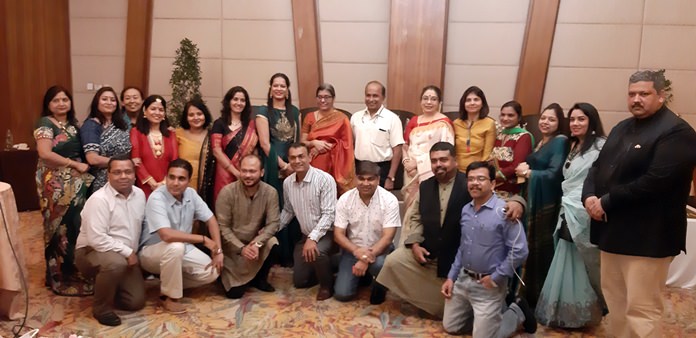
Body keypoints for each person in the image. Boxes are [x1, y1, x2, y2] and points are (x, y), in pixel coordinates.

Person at [582, 70, 696, 338]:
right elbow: (597, 167)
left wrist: (606, 202)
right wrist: (588, 196)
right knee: (616, 304)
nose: (636, 99)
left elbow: (656, 181)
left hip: (648, 237)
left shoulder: (677, 132)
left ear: (661, 96)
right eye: (632, 94)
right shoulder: (622, 127)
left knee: (642, 311)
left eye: (644, 94)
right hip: (613, 234)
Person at [377, 142, 525, 318]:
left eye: (443, 160)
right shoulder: (425, 186)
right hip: (429, 251)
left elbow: (495, 197)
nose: (438, 164)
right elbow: (416, 217)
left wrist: (518, 202)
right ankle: (430, 300)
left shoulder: (469, 183)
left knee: (448, 314)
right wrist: (415, 243)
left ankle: (502, 308)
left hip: (456, 257)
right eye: (434, 161)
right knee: (394, 261)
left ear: (455, 161)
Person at [441, 161, 535, 337]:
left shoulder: (504, 212)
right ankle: (484, 320)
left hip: (489, 284)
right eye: (470, 179)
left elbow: (520, 250)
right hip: (463, 279)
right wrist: (451, 277)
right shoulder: (466, 210)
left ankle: (516, 312)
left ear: (492, 184)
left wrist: (496, 277)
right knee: (451, 327)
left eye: (481, 179)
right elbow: (463, 247)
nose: (474, 183)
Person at [536, 102, 607, 328]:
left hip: (585, 209)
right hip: (567, 206)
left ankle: (583, 312)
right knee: (564, 254)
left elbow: (602, 179)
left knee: (583, 259)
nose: (575, 124)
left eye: (581, 119)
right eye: (573, 119)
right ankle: (562, 310)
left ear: (592, 121)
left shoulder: (601, 147)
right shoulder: (572, 145)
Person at [139, 159, 223, 313]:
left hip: (181, 249)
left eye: (181, 179)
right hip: (150, 252)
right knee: (175, 246)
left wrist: (218, 252)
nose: (175, 183)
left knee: (212, 272)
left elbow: (211, 219)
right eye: (171, 177)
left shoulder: (191, 193)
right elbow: (166, 235)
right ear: (166, 177)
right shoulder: (156, 197)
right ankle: (169, 297)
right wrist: (203, 239)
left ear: (188, 181)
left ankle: (168, 281)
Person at [34, 85, 94, 296]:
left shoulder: (73, 125)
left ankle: (73, 269)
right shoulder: (45, 123)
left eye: (64, 100)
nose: (61, 104)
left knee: (75, 225)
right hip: (55, 183)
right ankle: (57, 275)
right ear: (48, 104)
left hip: (76, 184)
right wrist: (74, 164)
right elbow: (44, 153)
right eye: (56, 100)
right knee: (57, 228)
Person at [74, 155, 145, 326]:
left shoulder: (140, 195)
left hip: (123, 254)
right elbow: (97, 239)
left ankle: (108, 285)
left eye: (128, 172)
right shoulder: (99, 200)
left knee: (135, 302)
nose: (123, 176)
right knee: (115, 264)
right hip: (91, 251)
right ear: (108, 175)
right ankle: (101, 308)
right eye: (117, 172)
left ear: (135, 174)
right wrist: (128, 253)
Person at [514, 103, 569, 308]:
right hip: (531, 198)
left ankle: (539, 298)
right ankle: (525, 294)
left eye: (551, 119)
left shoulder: (560, 142)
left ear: (559, 122)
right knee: (528, 246)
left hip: (545, 202)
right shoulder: (541, 141)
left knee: (540, 249)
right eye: (543, 118)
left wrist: (529, 173)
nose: (545, 122)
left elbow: (554, 174)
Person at [333, 161, 400, 304]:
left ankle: (381, 284)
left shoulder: (389, 200)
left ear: (378, 179)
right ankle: (363, 276)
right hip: (353, 250)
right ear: (355, 178)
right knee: (342, 294)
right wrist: (358, 252)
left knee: (378, 265)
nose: (366, 183)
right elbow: (338, 235)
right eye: (361, 178)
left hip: (381, 251)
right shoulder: (345, 199)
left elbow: (388, 237)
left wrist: (364, 258)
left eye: (371, 179)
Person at [216, 154, 280, 299]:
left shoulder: (270, 192)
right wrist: (241, 248)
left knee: (273, 243)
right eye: (244, 171)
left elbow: (273, 223)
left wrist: (257, 243)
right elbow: (223, 228)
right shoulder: (227, 192)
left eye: (252, 171)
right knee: (234, 294)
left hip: (254, 244)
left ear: (262, 172)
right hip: (232, 248)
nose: (247, 175)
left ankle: (260, 279)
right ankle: (226, 276)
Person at [279, 143, 337, 301]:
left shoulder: (325, 179)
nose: (297, 161)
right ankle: (329, 268)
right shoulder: (287, 183)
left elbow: (329, 214)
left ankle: (327, 286)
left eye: (301, 156)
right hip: (305, 235)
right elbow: (288, 211)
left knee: (318, 252)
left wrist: (313, 238)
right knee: (300, 282)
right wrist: (271, 229)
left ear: (310, 157)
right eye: (293, 157)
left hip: (327, 233)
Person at [255, 73, 301, 267]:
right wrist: (283, 165)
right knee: (276, 207)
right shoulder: (263, 111)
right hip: (273, 164)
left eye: (283, 86)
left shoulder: (295, 111)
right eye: (276, 85)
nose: (279, 89)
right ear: (271, 88)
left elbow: (296, 141)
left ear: (288, 89)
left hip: (293, 163)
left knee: (293, 206)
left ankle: (291, 253)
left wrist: (294, 164)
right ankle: (275, 253)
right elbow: (265, 144)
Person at [401, 85, 454, 210]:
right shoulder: (414, 121)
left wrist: (418, 164)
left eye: (433, 99)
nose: (429, 102)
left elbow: (447, 150)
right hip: (410, 172)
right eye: (425, 98)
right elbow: (405, 146)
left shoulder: (444, 123)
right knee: (411, 211)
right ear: (420, 101)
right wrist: (406, 162)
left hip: (432, 171)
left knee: (429, 209)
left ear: (439, 102)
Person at [302, 83, 355, 195]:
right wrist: (314, 143)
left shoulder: (342, 119)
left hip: (335, 165)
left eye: (326, 97)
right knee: (314, 195)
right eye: (320, 97)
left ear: (333, 98)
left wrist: (325, 146)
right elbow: (302, 142)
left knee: (332, 196)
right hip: (313, 164)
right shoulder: (309, 117)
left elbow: (347, 144)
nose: (323, 100)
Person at [350, 81, 404, 189]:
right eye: (368, 95)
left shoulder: (392, 119)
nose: (371, 99)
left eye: (375, 96)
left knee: (381, 204)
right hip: (360, 167)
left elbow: (397, 150)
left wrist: (391, 177)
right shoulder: (355, 117)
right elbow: (351, 145)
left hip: (382, 170)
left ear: (383, 97)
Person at [211, 86, 258, 202]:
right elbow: (216, 151)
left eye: (242, 100)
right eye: (235, 99)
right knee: (225, 206)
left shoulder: (251, 124)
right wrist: (235, 172)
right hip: (225, 173)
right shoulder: (219, 123)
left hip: (247, 173)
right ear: (229, 101)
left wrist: (250, 170)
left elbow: (255, 150)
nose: (239, 103)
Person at [81, 86, 132, 193]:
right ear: (97, 102)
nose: (109, 102)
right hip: (103, 180)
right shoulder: (91, 126)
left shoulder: (122, 124)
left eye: (113, 100)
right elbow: (92, 158)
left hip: (125, 177)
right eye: (104, 99)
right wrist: (123, 164)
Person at [130, 95, 178, 198]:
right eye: (153, 109)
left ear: (164, 114)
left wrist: (164, 183)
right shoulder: (136, 132)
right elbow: (136, 161)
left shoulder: (171, 134)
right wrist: (152, 183)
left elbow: (175, 160)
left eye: (161, 110)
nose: (157, 113)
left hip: (167, 186)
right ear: (145, 111)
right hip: (144, 186)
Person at [490, 101, 533, 196]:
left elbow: (517, 166)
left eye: (510, 115)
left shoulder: (524, 136)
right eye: (502, 115)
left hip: (510, 189)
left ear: (519, 117)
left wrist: (496, 175)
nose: (505, 118)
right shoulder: (499, 134)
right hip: (492, 185)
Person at [453, 86, 497, 172]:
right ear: (463, 104)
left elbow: (487, 154)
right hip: (456, 171)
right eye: (468, 100)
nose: (472, 103)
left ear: (482, 103)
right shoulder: (456, 123)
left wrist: (478, 171)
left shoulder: (489, 123)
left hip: (478, 171)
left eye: (476, 99)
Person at [176, 98, 213, 194]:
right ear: (186, 117)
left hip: (206, 189)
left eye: (199, 114)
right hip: (181, 186)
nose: (196, 118)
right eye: (191, 115)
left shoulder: (212, 136)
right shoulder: (177, 134)